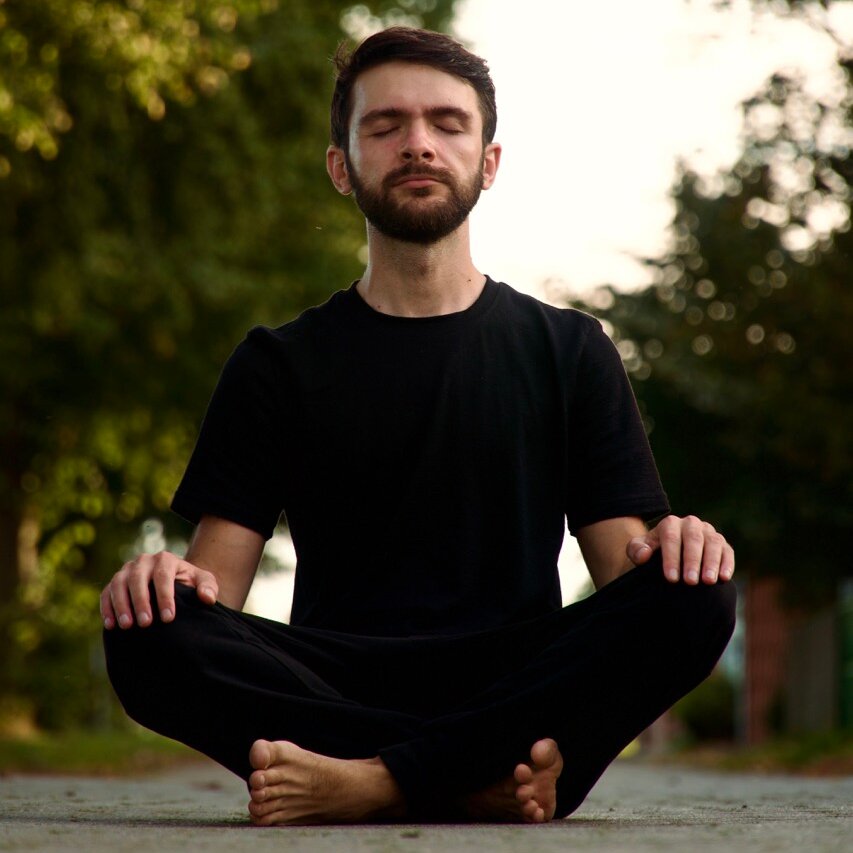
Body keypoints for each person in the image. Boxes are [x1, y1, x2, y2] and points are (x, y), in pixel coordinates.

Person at [101, 26, 736, 826]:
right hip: (335, 681)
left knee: (697, 595)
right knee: (145, 631)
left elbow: (626, 573)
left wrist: (680, 549)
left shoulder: (568, 349)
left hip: (517, 671)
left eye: (446, 123)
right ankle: (473, 776)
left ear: (488, 161)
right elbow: (213, 590)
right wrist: (161, 583)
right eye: (385, 125)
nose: (418, 144)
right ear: (342, 165)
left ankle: (372, 781)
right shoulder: (276, 363)